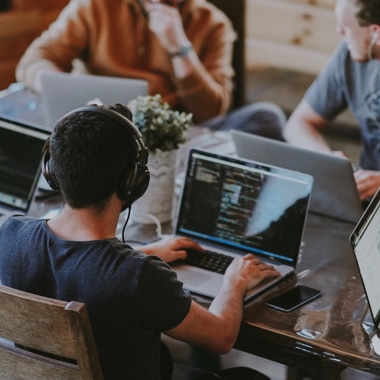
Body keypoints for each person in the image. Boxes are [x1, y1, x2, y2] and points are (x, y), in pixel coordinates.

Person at [0, 103, 279, 380]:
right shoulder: (140, 277)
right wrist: (235, 281)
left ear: (52, 170)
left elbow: (76, 267)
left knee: (163, 357)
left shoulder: (11, 234)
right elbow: (221, 337)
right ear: (132, 182)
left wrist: (140, 251)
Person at [15, 0, 285, 139]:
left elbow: (212, 111)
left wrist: (179, 48)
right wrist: (59, 89)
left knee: (267, 117)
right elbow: (36, 60)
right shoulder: (95, 5)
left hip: (174, 138)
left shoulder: (213, 23)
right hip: (98, 129)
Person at [283, 0, 380, 202]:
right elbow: (298, 124)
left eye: (345, 26)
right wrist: (327, 160)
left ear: (375, 32)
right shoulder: (348, 55)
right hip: (365, 201)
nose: (339, 31)